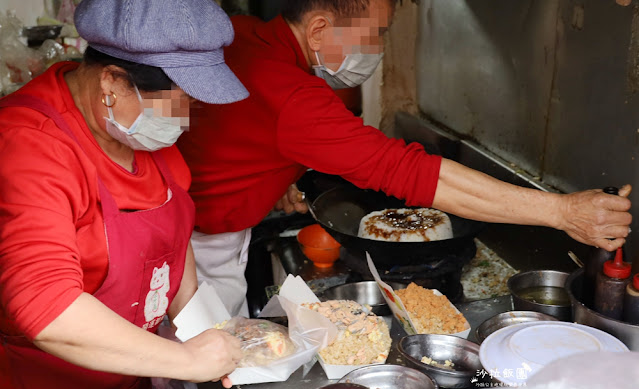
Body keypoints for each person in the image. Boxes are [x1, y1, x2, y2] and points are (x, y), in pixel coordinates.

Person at [177, 0, 633, 317]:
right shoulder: (296, 98)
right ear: (317, 29)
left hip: (185, 224)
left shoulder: (239, 32)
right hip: (198, 248)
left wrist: (264, 182)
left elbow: (229, 135)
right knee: (205, 369)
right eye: (375, 34)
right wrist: (563, 211)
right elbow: (412, 173)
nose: (376, 48)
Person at [0, 0, 249, 389]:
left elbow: (172, 242)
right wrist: (186, 359)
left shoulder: (139, 136)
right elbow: (47, 306)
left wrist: (208, 332)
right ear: (113, 81)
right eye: (177, 102)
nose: (185, 121)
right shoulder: (28, 145)